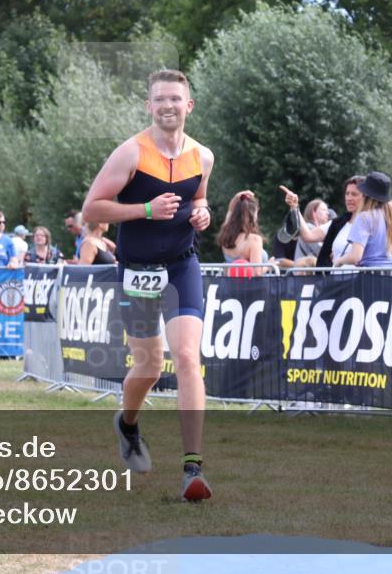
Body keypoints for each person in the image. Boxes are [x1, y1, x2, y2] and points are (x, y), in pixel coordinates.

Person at [82, 69, 215, 502]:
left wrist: (202, 215)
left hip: (182, 266)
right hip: (138, 269)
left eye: (175, 99)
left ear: (188, 105)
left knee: (188, 357)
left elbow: (200, 199)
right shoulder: (130, 153)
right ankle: (128, 422)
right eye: (159, 100)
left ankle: (192, 468)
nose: (168, 106)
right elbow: (92, 209)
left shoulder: (203, 157)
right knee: (149, 367)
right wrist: (144, 209)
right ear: (149, 106)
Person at [282, 175, 365, 268]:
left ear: (365, 197)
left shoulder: (371, 223)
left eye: (354, 194)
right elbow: (308, 236)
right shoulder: (338, 223)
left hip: (361, 279)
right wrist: (294, 206)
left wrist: (339, 261)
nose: (349, 198)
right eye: (347, 193)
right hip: (336, 279)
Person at [334, 172, 392, 268]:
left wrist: (339, 261)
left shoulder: (364, 218)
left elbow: (355, 257)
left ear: (366, 195)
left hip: (371, 278)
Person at [217, 191, 266, 273]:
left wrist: (236, 197)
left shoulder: (225, 237)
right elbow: (257, 272)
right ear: (253, 215)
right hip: (252, 285)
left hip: (231, 283)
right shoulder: (254, 240)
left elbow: (230, 212)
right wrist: (270, 265)